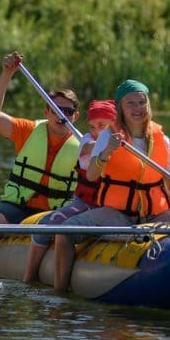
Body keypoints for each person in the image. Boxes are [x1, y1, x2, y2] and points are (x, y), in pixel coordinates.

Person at [50, 79, 170, 291]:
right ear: (120, 107)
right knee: (65, 233)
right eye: (130, 103)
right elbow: (92, 175)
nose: (137, 108)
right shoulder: (108, 136)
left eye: (141, 102)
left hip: (155, 216)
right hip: (117, 215)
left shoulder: (162, 140)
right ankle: (60, 292)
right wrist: (107, 151)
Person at [0, 51, 83, 275]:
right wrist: (7, 74)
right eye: (56, 110)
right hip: (17, 208)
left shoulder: (85, 146)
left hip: (55, 212)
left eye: (68, 111)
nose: (61, 116)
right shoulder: (28, 130)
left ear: (76, 116)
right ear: (47, 111)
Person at [23, 98, 116, 282]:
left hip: (112, 208)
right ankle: (30, 276)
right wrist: (110, 145)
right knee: (46, 224)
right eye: (91, 126)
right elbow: (91, 148)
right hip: (85, 204)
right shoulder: (86, 141)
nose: (96, 131)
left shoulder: (126, 141)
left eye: (101, 125)